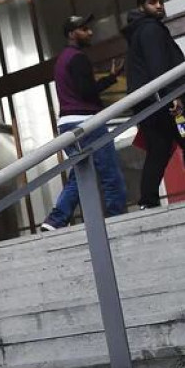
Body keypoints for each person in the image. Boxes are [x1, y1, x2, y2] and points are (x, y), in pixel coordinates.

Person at [123, 0, 185, 208]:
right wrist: (172, 95)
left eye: (161, 1)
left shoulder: (139, 33)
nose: (159, 6)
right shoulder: (151, 29)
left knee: (159, 149)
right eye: (152, 2)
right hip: (171, 105)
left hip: (153, 106)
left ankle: (148, 201)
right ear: (141, 7)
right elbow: (159, 65)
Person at [41, 14, 128, 231]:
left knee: (80, 174)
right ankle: (118, 218)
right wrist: (109, 80)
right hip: (86, 122)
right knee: (110, 171)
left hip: (67, 123)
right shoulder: (78, 58)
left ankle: (54, 220)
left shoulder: (62, 59)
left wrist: (110, 78)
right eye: (83, 29)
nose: (90, 32)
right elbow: (87, 92)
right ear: (72, 34)